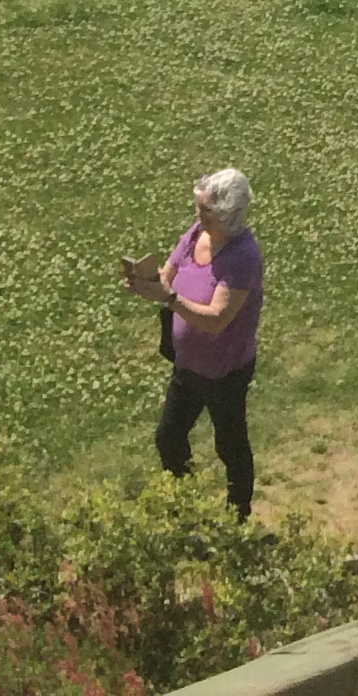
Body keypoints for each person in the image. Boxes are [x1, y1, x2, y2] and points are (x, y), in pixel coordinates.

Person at [124, 166, 263, 516]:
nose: (197, 214)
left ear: (228, 213)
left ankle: (237, 515)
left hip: (224, 371)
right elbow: (166, 276)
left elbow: (217, 320)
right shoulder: (196, 233)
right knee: (168, 437)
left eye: (205, 209)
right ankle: (186, 507)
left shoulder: (243, 256)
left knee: (229, 445)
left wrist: (168, 298)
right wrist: (146, 283)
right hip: (188, 364)